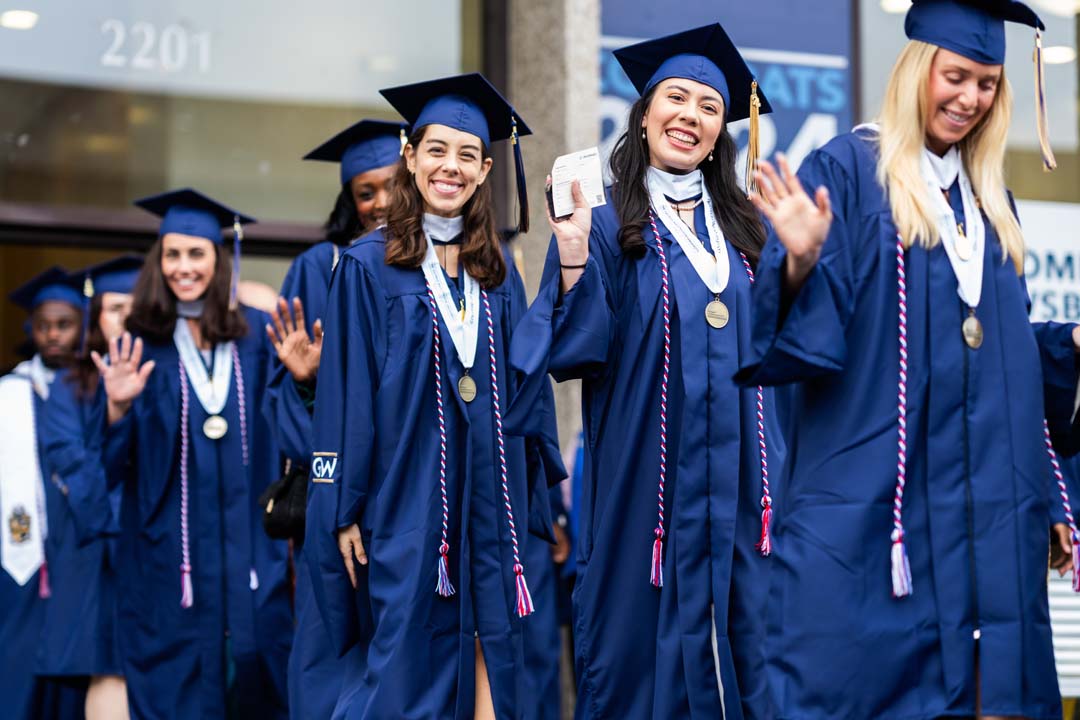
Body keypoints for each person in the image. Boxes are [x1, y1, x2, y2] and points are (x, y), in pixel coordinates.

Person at [738, 1, 1080, 717]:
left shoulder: (991, 203)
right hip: (878, 517)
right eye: (955, 76)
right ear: (917, 69)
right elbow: (801, 341)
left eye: (987, 84)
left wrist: (1070, 349)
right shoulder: (850, 171)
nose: (970, 99)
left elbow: (1005, 358)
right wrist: (799, 261)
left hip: (979, 519)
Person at [511, 23, 784, 719]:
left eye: (709, 107)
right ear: (643, 111)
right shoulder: (602, 224)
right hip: (647, 498)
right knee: (639, 670)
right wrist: (570, 254)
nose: (689, 116)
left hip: (750, 495)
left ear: (725, 130)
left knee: (756, 660)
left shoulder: (752, 232)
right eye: (676, 98)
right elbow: (573, 352)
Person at [305, 73, 564, 720]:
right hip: (405, 501)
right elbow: (346, 397)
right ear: (411, 157)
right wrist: (343, 507)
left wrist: (540, 501)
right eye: (437, 150)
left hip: (490, 500)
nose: (451, 166)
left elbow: (528, 386)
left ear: (483, 173)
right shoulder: (366, 266)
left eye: (468, 155)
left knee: (492, 656)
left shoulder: (497, 272)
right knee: (401, 664)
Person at [92, 189, 292, 719]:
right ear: (158, 262)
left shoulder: (253, 336)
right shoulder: (140, 343)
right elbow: (107, 470)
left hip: (250, 553)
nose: (184, 267)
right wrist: (116, 408)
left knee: (257, 671)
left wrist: (305, 378)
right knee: (176, 681)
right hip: (168, 557)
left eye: (197, 253)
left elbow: (292, 430)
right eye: (172, 254)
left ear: (218, 258)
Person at [264, 118, 405, 720]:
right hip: (336, 508)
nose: (377, 202)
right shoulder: (321, 267)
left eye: (389, 185)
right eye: (363, 192)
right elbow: (286, 420)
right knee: (330, 665)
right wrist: (310, 383)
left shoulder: (440, 259)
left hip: (411, 501)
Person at [39, 255, 142, 720]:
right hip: (102, 548)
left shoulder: (169, 370)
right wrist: (120, 519)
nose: (126, 316)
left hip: (159, 546)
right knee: (111, 667)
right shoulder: (70, 384)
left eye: (136, 305)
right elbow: (72, 463)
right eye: (115, 306)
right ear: (96, 315)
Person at [1, 267, 87, 719]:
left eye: (64, 324)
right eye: (43, 325)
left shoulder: (94, 390)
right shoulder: (8, 393)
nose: (52, 335)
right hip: (19, 557)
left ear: (83, 326)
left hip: (80, 553)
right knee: (15, 666)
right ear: (30, 328)